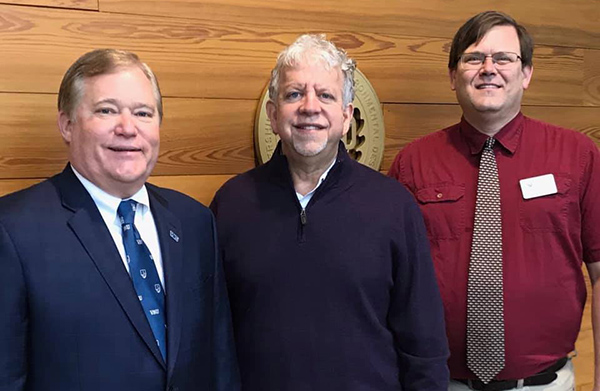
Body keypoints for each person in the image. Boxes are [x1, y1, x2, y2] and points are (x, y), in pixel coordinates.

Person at [210, 34, 449, 391]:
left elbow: (423, 342)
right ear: (274, 116)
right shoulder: (232, 203)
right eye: (294, 94)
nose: (310, 107)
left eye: (326, 95)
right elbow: (211, 332)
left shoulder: (394, 206)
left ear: (346, 115)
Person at [0, 49, 239, 391]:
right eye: (106, 110)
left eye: (143, 113)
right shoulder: (12, 231)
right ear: (67, 125)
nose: (128, 128)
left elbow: (220, 363)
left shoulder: (195, 221)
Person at [389, 11, 600, 391]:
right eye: (474, 58)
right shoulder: (412, 163)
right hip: (440, 383)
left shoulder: (578, 155)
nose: (489, 68)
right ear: (453, 76)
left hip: (545, 385)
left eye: (504, 58)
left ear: (527, 74)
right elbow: (389, 281)